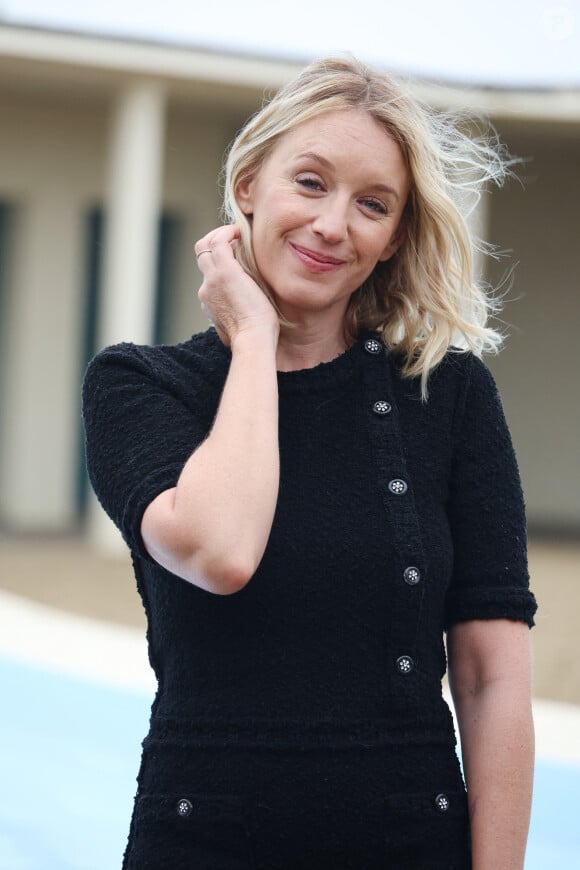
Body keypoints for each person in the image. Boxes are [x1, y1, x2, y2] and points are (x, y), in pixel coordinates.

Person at [83, 55, 537, 869]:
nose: (334, 225)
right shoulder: (141, 386)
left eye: (372, 204)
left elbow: (491, 676)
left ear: (395, 235)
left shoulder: (450, 395)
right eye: (311, 182)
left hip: (410, 838)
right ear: (249, 183)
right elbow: (221, 552)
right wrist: (254, 337)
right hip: (204, 838)